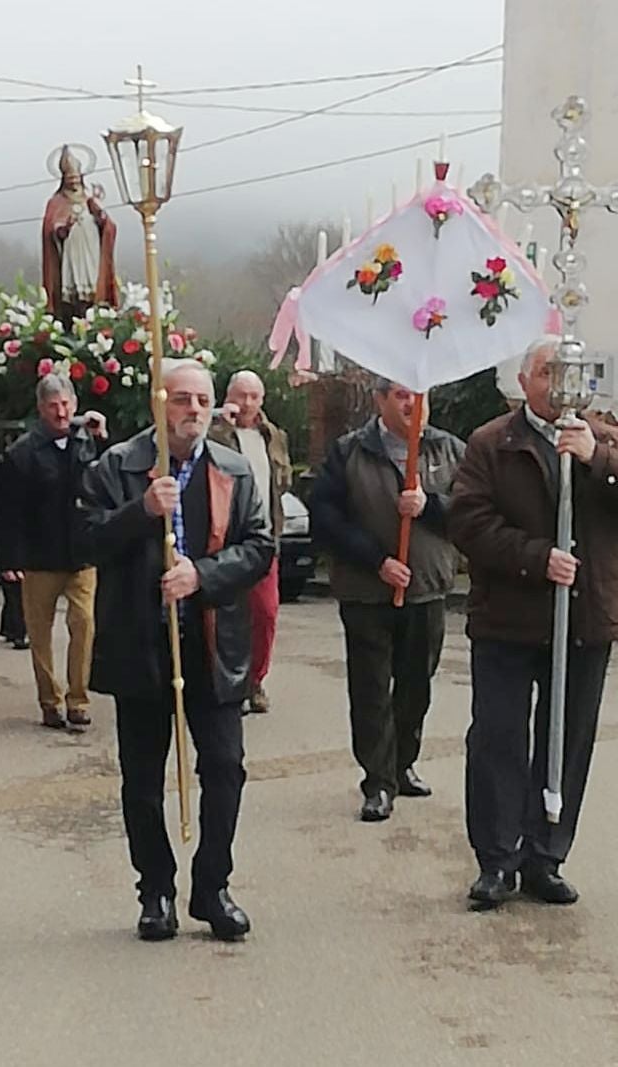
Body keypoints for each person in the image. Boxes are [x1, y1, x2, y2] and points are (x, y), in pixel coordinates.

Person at [77, 358, 274, 942]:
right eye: (181, 399)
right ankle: (155, 889)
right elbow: (85, 540)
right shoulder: (117, 466)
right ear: (159, 404)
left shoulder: (234, 470)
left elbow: (260, 546)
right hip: (140, 641)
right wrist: (143, 512)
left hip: (212, 642)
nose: (193, 411)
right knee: (141, 775)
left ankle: (212, 886)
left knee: (224, 766)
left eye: (201, 401)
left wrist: (203, 576)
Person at [448, 336, 618, 909]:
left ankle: (547, 854)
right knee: (498, 739)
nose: (560, 384)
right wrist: (535, 557)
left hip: (584, 620)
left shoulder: (604, 438)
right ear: (523, 381)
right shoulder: (492, 443)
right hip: (508, 619)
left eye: (571, 373)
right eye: (548, 372)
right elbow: (468, 522)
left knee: (566, 743)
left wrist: (599, 459)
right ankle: (497, 859)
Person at [310, 378, 465, 823]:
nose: (413, 404)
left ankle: (402, 763)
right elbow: (326, 517)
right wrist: (376, 560)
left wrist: (430, 505)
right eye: (401, 395)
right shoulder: (349, 452)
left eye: (420, 396)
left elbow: (475, 508)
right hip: (367, 592)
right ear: (380, 400)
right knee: (372, 687)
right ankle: (377, 781)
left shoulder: (449, 450)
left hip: (427, 589)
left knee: (416, 685)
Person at [0, 375, 107, 729]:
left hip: (81, 554)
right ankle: (50, 699)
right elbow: (9, 512)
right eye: (52, 406)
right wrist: (10, 559)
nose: (61, 412)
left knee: (84, 624)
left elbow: (108, 481)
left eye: (65, 404)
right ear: (41, 409)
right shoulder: (23, 453)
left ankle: (79, 698)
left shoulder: (88, 442)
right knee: (39, 632)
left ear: (74, 405)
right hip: (40, 557)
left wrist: (102, 439)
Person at [209, 370, 292, 713]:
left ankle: (255, 679)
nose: (246, 404)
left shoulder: (274, 436)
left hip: (264, 537)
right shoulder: (214, 433)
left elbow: (283, 480)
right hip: (225, 536)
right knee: (226, 614)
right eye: (240, 395)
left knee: (266, 612)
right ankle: (229, 681)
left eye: (253, 396)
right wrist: (218, 425)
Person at [41, 145, 118, 326]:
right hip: (71, 252)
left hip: (91, 249)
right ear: (64, 179)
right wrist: (64, 228)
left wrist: (100, 216)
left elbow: (108, 226)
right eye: (70, 178)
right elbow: (51, 231)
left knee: (93, 285)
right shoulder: (56, 202)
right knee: (74, 290)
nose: (74, 181)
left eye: (76, 177)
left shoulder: (89, 198)